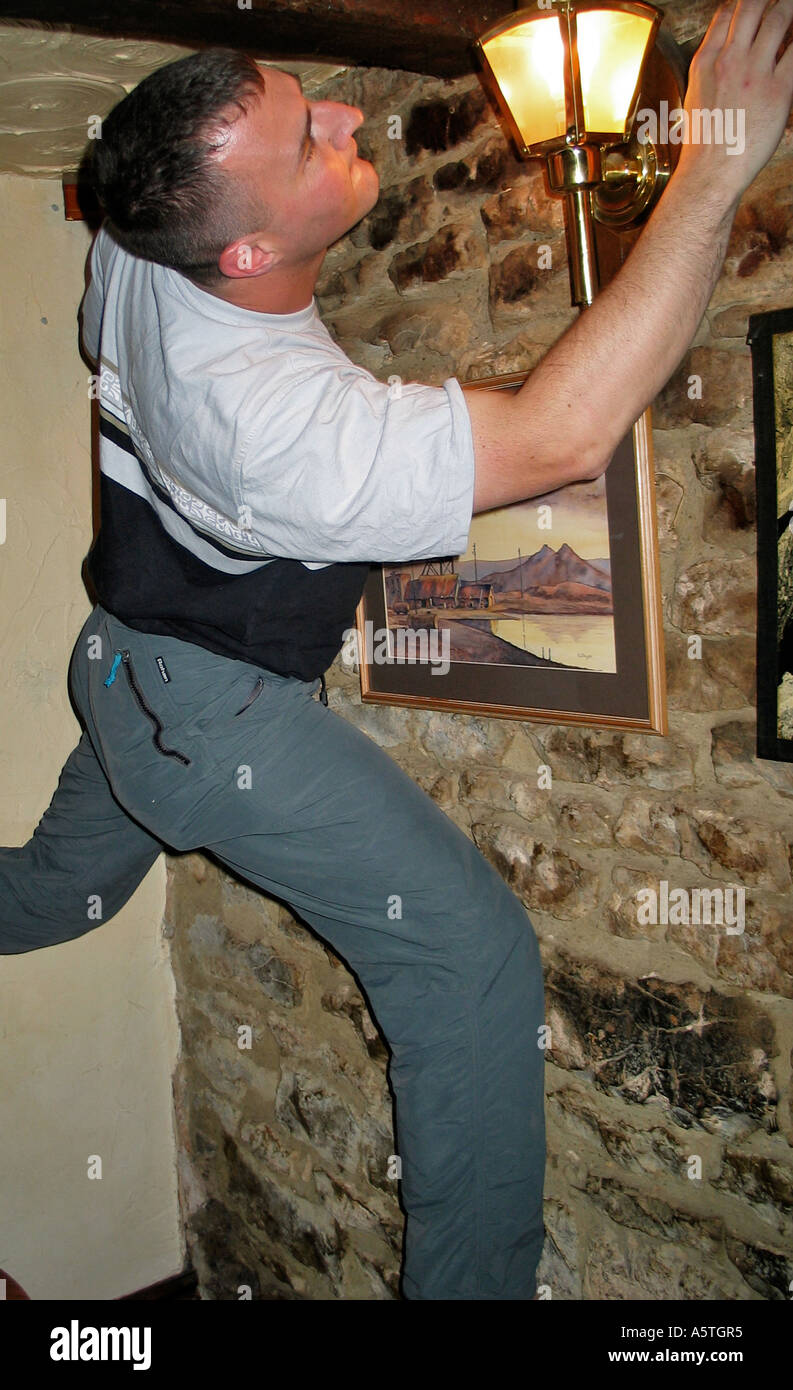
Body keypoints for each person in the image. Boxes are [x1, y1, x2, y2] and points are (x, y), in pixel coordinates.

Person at [1, 0, 791, 1301]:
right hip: (207, 717)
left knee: (49, 894)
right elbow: (553, 439)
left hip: (124, 663)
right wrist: (711, 170)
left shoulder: (148, 243)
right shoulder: (269, 433)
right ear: (247, 243)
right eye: (310, 144)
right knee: (465, 954)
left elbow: (108, 339)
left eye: (305, 97)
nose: (347, 116)